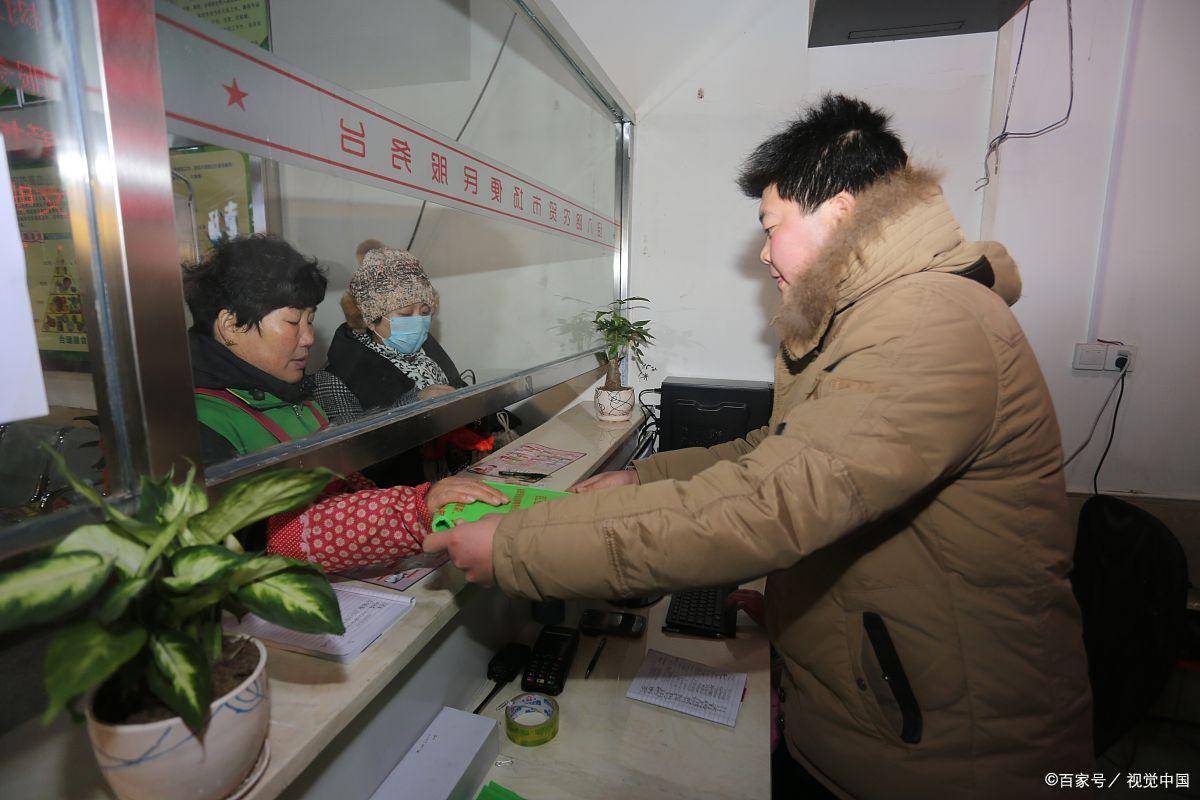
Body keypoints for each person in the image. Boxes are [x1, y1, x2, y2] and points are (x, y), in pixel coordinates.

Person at [423, 95, 1093, 798]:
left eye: (772, 227)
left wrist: (518, 548)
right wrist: (642, 480)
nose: (766, 253)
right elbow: (778, 450)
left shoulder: (925, 323)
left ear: (840, 212)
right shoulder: (886, 312)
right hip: (889, 713)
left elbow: (768, 503)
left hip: (954, 759)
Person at [183, 234, 505, 571]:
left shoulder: (297, 398)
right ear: (231, 325)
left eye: (310, 320)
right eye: (293, 322)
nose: (309, 338)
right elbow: (271, 536)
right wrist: (413, 509)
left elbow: (347, 486)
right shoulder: (202, 426)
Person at [306, 243, 463, 424]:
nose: (418, 322)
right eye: (405, 314)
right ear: (371, 321)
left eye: (425, 312)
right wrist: (414, 403)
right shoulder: (334, 378)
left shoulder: (428, 351)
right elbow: (353, 437)